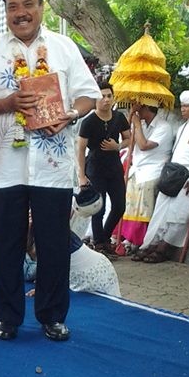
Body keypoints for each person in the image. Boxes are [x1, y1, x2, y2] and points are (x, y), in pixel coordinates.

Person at [0, 0, 100, 342]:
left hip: (53, 166)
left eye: (27, 4)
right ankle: (7, 317)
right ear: (5, 12)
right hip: (5, 165)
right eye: (12, 6)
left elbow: (89, 95)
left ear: (41, 7)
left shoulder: (63, 48)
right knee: (5, 242)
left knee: (54, 243)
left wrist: (70, 113)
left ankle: (52, 316)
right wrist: (8, 102)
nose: (20, 12)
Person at [133, 89, 189, 263]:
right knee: (161, 211)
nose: (183, 109)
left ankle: (164, 248)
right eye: (183, 105)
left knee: (179, 214)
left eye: (188, 106)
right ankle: (150, 244)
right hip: (172, 172)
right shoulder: (181, 127)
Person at [76, 80, 131, 254]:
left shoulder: (119, 118)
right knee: (98, 207)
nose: (106, 100)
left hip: (114, 167)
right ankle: (99, 243)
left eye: (109, 96)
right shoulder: (89, 121)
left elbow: (129, 139)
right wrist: (82, 175)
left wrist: (118, 146)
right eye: (102, 96)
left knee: (119, 206)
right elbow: (81, 148)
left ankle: (104, 237)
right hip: (95, 167)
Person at [120, 104, 173, 250]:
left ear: (147, 108)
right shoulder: (142, 124)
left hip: (153, 170)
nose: (137, 111)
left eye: (139, 108)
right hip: (137, 169)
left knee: (143, 204)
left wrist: (137, 124)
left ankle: (138, 239)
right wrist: (131, 119)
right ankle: (126, 237)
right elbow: (129, 141)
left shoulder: (164, 127)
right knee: (129, 204)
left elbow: (143, 145)